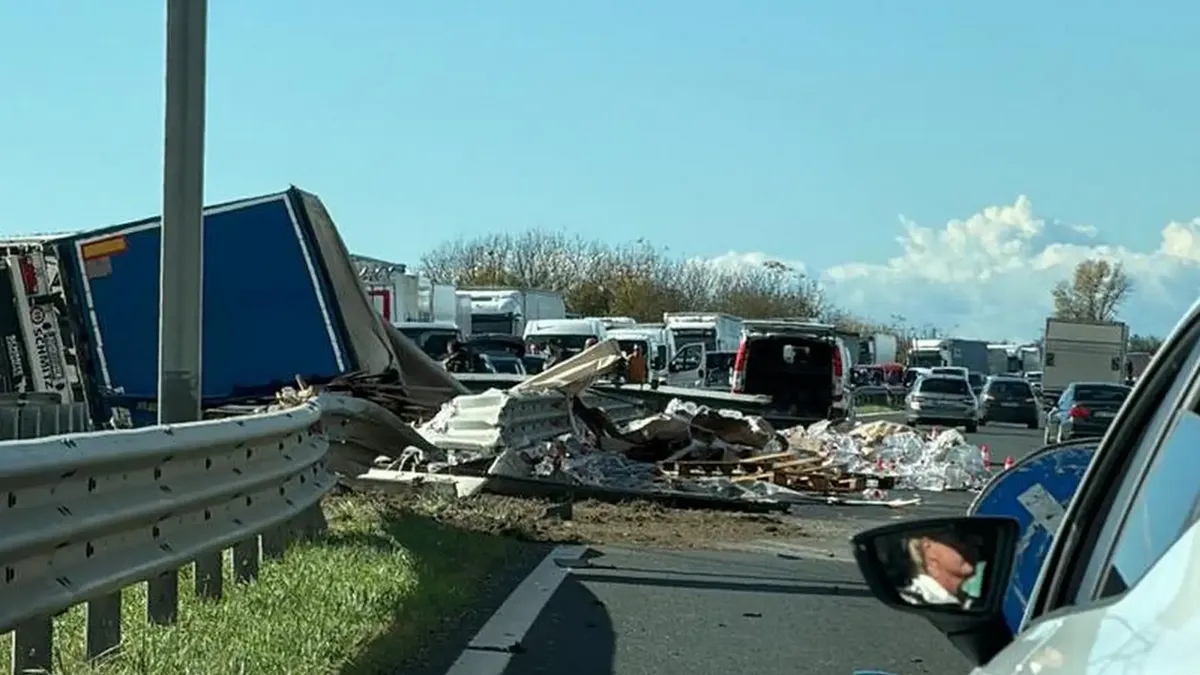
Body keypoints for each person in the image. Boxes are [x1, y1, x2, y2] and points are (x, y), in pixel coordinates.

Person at [898, 531, 980, 607]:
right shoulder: (910, 602)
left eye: (976, 536)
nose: (976, 543)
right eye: (961, 537)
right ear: (928, 547)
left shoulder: (975, 604)